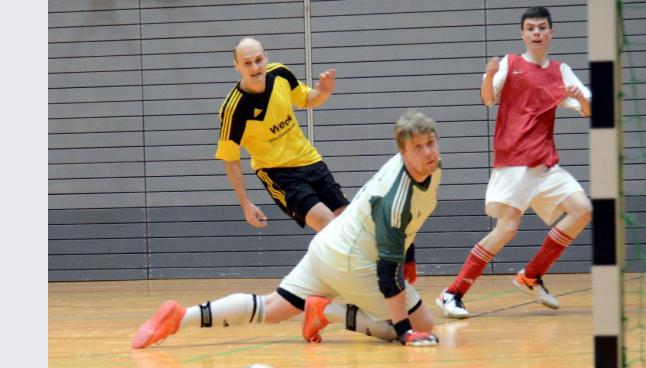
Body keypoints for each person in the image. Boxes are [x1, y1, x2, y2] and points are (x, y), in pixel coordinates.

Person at [132, 110, 442, 349]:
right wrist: (405, 332)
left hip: (328, 246)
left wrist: (410, 258)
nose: (428, 153)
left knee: (273, 307)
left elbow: (407, 225)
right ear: (403, 152)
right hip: (353, 261)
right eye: (418, 147)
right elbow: (388, 274)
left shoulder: (424, 168)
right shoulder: (396, 197)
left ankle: (181, 316)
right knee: (423, 327)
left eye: (430, 143)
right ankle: (328, 312)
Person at [435, 6, 592, 319]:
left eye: (542, 28)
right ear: (523, 34)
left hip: (545, 163)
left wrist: (582, 97)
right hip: (514, 161)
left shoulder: (561, 71)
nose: (536, 33)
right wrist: (491, 75)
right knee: (507, 228)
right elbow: (487, 99)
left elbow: (589, 109)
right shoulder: (510, 63)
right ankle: (452, 293)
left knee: (583, 210)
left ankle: (531, 276)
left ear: (551, 32)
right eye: (530, 28)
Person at [217, 36, 349, 232]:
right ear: (237, 66)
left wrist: (323, 91)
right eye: (247, 63)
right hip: (279, 173)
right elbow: (230, 159)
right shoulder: (233, 109)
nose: (255, 67)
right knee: (329, 225)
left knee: (348, 224)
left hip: (310, 160)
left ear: (266, 58)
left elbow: (306, 99)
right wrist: (245, 204)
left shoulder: (280, 73)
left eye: (258, 60)